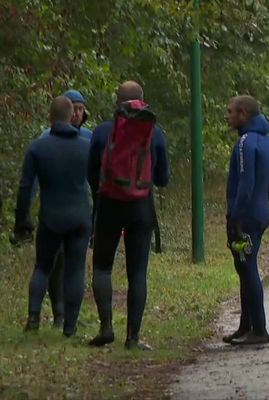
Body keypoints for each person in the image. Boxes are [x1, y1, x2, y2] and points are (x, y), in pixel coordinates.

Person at [87, 81, 169, 350]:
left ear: (117, 101)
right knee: (137, 273)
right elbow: (162, 179)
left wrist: (100, 193)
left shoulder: (101, 132)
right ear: (142, 101)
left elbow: (91, 172)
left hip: (109, 204)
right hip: (141, 209)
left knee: (102, 267)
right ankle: (133, 337)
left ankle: (106, 327)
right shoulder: (155, 133)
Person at [14, 96, 91, 337]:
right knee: (76, 270)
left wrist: (22, 219)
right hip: (80, 217)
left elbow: (25, 187)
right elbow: (98, 183)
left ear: (51, 117)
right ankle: (70, 326)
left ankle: (34, 318)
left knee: (43, 267)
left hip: (51, 217)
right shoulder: (86, 147)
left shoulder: (38, 147)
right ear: (71, 117)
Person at [36, 89, 93, 328]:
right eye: (74, 109)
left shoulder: (89, 139)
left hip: (79, 208)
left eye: (81, 109)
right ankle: (59, 313)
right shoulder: (45, 138)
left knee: (74, 263)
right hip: (54, 207)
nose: (77, 114)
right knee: (54, 261)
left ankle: (71, 316)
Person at [222, 95, 269, 346]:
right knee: (244, 267)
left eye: (231, 111)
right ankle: (246, 326)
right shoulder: (267, 141)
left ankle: (259, 329)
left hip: (246, 217)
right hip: (261, 212)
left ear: (243, 114)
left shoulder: (245, 143)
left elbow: (246, 183)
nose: (228, 116)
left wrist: (235, 215)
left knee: (248, 268)